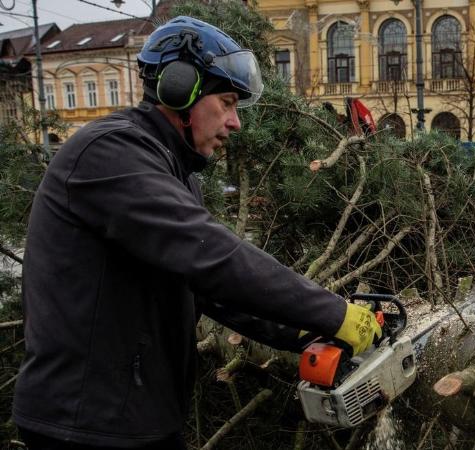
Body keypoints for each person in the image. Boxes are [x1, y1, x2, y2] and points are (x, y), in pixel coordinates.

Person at [14, 17, 381, 450]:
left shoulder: (172, 169)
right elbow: (214, 258)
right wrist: (334, 312)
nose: (235, 122)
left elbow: (207, 287)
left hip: (133, 415)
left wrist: (304, 333)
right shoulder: (110, 153)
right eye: (226, 102)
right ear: (179, 88)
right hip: (84, 424)